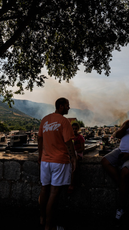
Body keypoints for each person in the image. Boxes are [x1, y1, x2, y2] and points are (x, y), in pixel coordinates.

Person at [38, 97, 77, 230]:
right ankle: (49, 225)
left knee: (44, 189)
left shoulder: (45, 120)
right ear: (61, 106)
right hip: (59, 161)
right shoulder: (64, 121)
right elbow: (68, 142)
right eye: (67, 105)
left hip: (45, 161)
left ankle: (42, 218)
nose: (69, 108)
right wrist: (74, 158)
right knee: (54, 193)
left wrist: (40, 156)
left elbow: (39, 139)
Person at [68, 121, 85, 194]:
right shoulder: (70, 137)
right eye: (73, 129)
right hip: (71, 153)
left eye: (76, 129)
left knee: (73, 162)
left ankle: (72, 183)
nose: (74, 130)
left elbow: (82, 148)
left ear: (78, 129)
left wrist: (75, 151)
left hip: (78, 153)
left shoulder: (80, 137)